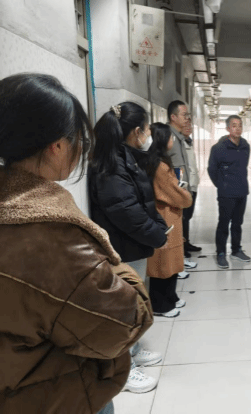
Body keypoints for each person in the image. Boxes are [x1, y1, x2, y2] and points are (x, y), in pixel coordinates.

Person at [0, 73, 153, 414]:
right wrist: (111, 262)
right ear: (57, 146)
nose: (81, 149)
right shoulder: (52, 237)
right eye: (78, 139)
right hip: (55, 393)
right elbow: (127, 322)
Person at [88, 102, 168, 395]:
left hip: (132, 247)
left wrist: (158, 226)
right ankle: (121, 371)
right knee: (122, 310)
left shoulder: (122, 157)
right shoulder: (111, 166)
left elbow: (140, 203)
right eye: (146, 129)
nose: (148, 135)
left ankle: (131, 353)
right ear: (136, 131)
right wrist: (157, 235)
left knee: (132, 305)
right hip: (123, 250)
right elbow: (126, 212)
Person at [141, 123, 193, 318]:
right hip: (165, 217)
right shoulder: (160, 166)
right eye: (170, 137)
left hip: (169, 216)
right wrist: (185, 195)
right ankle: (160, 305)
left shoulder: (159, 162)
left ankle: (171, 297)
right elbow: (178, 195)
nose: (172, 140)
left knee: (171, 261)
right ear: (162, 140)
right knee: (164, 263)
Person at [208, 115, 251, 270]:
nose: (237, 128)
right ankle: (221, 253)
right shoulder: (218, 148)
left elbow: (243, 167)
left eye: (240, 125)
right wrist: (222, 185)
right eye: (234, 125)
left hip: (242, 191)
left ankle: (236, 250)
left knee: (238, 223)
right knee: (224, 224)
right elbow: (212, 170)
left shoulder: (245, 146)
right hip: (226, 193)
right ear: (228, 128)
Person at [167, 100, 200, 269]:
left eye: (188, 115)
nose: (187, 118)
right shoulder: (169, 137)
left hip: (183, 190)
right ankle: (176, 261)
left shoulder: (181, 139)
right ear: (173, 117)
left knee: (183, 222)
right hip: (174, 193)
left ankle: (181, 255)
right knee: (175, 226)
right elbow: (170, 168)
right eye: (184, 115)